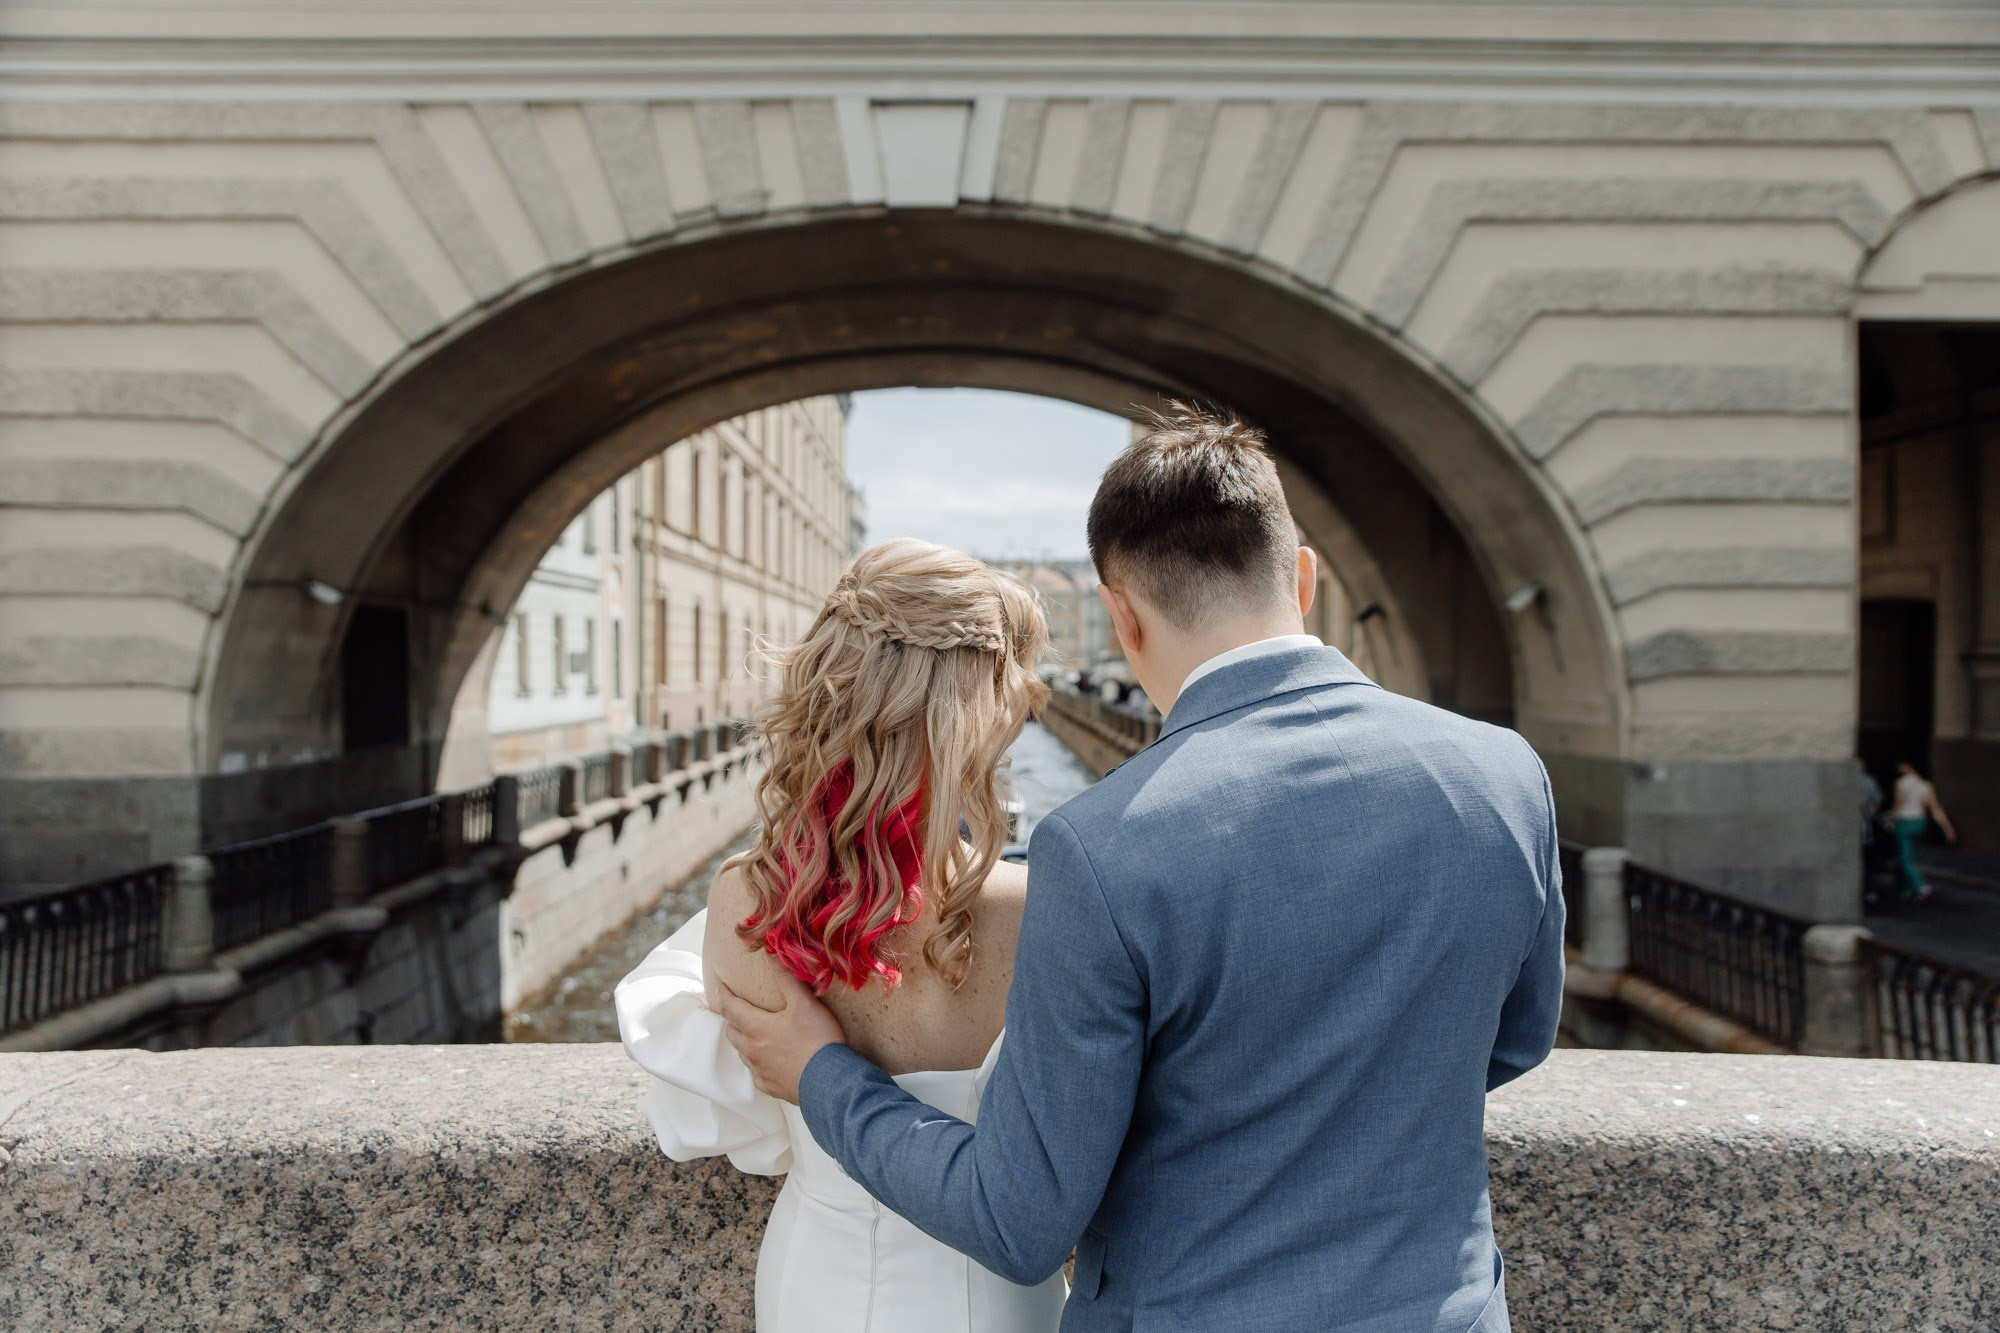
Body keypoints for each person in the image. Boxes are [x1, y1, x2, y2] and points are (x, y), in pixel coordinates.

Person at [718, 404, 1564, 1332]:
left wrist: (822, 1074)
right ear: (1305, 576)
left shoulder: (1103, 845)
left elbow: (1019, 1216)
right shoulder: (1504, 774)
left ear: (1121, 616)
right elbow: (1515, 1039)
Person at [614, 538, 1061, 1333]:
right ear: (981, 714)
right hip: (995, 1298)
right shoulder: (1040, 907)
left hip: (815, 1279)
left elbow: (741, 1126)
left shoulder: (742, 898)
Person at [1890, 760, 1957, 902]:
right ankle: (1907, 888)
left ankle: (1920, 886)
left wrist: (1890, 820)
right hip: (1919, 822)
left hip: (1905, 821)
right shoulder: (1925, 785)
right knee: (1909, 856)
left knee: (1904, 857)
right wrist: (1948, 828)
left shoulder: (1901, 783)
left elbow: (1898, 805)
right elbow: (1936, 809)